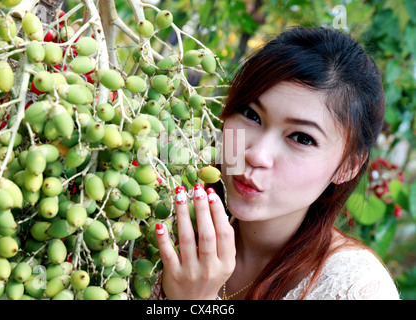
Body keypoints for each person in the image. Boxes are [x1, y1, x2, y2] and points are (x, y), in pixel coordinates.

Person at [151, 26, 400, 300]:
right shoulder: (162, 223)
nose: (256, 155)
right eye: (251, 115)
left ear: (348, 167)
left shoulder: (356, 289)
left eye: (302, 138)